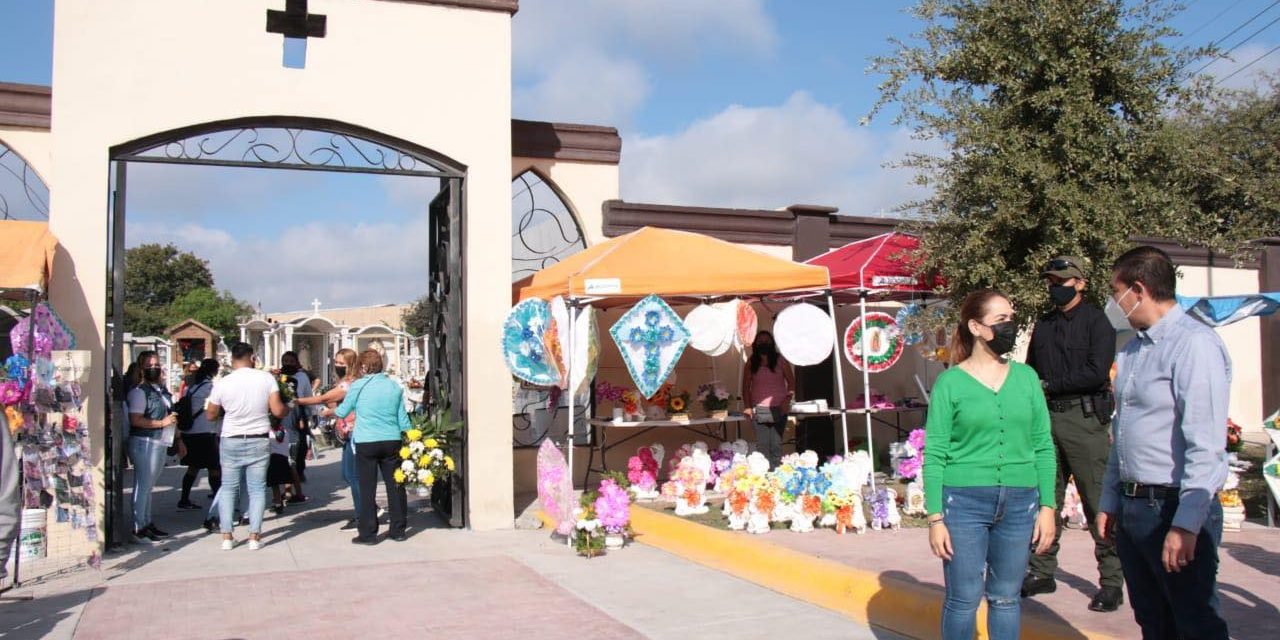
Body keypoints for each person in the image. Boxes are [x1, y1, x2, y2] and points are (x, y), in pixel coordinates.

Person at [1096, 246, 1231, 640]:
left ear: (1138, 290)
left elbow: (1205, 443)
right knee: (1153, 622)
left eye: (1115, 291)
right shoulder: (1134, 350)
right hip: (1135, 506)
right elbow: (1123, 433)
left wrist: (1187, 523)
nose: (1112, 302)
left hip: (1173, 506)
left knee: (1194, 622)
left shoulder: (1193, 345)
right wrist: (1110, 500)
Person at [924, 289, 1058, 640]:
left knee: (1006, 598)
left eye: (1011, 318)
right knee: (963, 599)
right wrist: (935, 517)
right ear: (976, 327)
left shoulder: (1027, 377)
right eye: (1001, 320)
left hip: (1020, 502)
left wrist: (1047, 506)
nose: (1010, 326)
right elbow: (935, 453)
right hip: (964, 503)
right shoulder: (950, 383)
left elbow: (1043, 445)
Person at [1023, 256, 1124, 611]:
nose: (1056, 287)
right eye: (1051, 281)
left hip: (1085, 421)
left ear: (1080, 283)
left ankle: (1112, 580)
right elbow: (1031, 369)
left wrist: (1048, 384)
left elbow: (1097, 372)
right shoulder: (1045, 324)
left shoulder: (1099, 322)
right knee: (1044, 497)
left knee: (1098, 500)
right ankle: (1041, 570)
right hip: (1047, 418)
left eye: (1062, 281)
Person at [206, 342, 289, 551]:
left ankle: (227, 536)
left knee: (228, 487)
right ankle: (254, 536)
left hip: (231, 437)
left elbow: (210, 414)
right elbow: (277, 410)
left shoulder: (223, 382)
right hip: (258, 437)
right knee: (257, 489)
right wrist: (288, 408)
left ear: (232, 359)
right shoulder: (266, 379)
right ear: (252, 358)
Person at [335, 349, 411, 544]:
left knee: (367, 487)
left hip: (366, 441)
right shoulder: (393, 386)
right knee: (395, 486)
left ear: (363, 366)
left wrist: (330, 409)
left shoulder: (358, 386)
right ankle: (398, 530)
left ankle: (368, 533)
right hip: (391, 440)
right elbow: (403, 419)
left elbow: (343, 410)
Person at [299, 348, 362, 530]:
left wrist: (299, 401)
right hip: (346, 431)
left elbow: (327, 398)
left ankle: (364, 511)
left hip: (354, 431)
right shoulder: (343, 381)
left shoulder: (349, 383)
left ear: (351, 364)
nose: (338, 366)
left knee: (352, 475)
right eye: (336, 362)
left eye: (342, 363)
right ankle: (364, 509)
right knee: (347, 474)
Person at [126, 350, 185, 542]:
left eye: (156, 365)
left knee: (149, 486)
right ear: (141, 368)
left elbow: (169, 414)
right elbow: (135, 420)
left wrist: (177, 438)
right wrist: (162, 423)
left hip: (160, 441)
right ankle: (138, 526)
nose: (154, 369)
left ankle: (146, 522)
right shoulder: (139, 392)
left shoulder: (160, 391)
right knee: (143, 485)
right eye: (149, 366)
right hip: (145, 442)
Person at [741, 331, 795, 468]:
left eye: (767, 341)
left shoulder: (781, 360)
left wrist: (787, 401)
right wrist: (747, 407)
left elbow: (792, 382)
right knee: (763, 445)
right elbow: (745, 387)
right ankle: (763, 477)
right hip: (759, 409)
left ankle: (776, 475)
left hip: (779, 408)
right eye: (760, 341)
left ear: (772, 343)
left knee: (776, 445)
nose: (763, 343)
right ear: (756, 344)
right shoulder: (751, 362)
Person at [177, 359, 221, 511]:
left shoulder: (192, 387)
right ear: (214, 371)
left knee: (193, 467)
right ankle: (218, 500)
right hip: (205, 431)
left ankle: (184, 498)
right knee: (214, 467)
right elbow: (217, 409)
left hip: (190, 432)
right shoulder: (210, 387)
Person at [278, 351, 313, 494]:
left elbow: (307, 395)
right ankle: (288, 486)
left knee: (296, 451)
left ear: (296, 362)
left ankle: (295, 480)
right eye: (285, 361)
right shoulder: (278, 377)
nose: (288, 364)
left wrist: (309, 416)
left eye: (291, 361)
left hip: (298, 416)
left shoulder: (302, 377)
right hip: (281, 418)